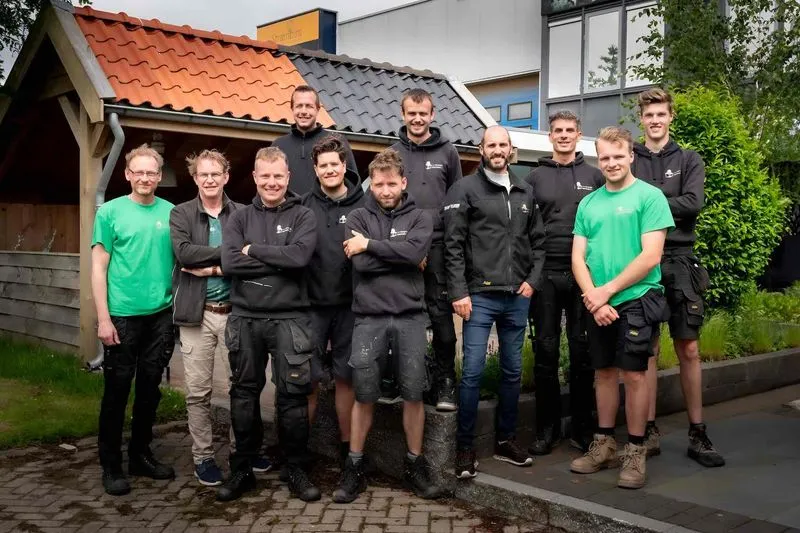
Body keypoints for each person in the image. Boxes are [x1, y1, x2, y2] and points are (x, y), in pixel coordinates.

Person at [332, 148, 441, 503]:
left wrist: (372, 247)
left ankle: (414, 465)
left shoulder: (422, 217)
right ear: (371, 184)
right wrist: (401, 253)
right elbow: (363, 267)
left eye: (392, 183)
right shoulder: (356, 218)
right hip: (369, 319)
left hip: (410, 317)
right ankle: (355, 466)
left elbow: (414, 253)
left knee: (414, 394)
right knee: (364, 394)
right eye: (379, 184)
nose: (386, 190)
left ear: (403, 182)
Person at [569, 126, 674, 490]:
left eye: (618, 156)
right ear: (599, 160)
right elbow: (578, 258)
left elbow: (651, 257)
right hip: (598, 303)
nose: (612, 163)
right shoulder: (589, 203)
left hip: (636, 299)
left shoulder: (650, 197)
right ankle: (603, 445)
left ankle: (636, 449)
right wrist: (593, 297)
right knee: (604, 373)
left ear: (631, 156)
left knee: (634, 375)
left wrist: (607, 291)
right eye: (606, 157)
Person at [217, 147, 320, 503]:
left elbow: (300, 257)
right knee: (243, 394)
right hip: (245, 318)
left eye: (279, 176)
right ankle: (242, 468)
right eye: (265, 176)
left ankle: (296, 468)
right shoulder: (239, 217)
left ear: (288, 177)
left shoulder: (304, 216)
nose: (272, 182)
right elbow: (229, 263)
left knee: (292, 397)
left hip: (290, 319)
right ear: (256, 178)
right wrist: (277, 259)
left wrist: (253, 251)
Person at [444, 125, 545, 479]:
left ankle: (505, 441)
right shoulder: (465, 189)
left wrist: (532, 281)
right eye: (492, 144)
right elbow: (452, 244)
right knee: (471, 373)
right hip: (480, 297)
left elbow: (540, 243)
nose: (498, 149)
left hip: (517, 296)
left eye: (503, 144)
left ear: (510, 148)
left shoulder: (525, 190)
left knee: (512, 371)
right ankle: (466, 447)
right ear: (481, 149)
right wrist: (458, 291)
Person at [170, 149, 274, 486]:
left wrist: (216, 264)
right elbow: (184, 252)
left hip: (237, 313)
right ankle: (203, 457)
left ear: (226, 176)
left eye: (216, 174)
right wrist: (232, 252)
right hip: (197, 316)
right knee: (198, 392)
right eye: (204, 174)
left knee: (242, 388)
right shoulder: (181, 213)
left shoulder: (243, 212)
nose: (210, 180)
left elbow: (255, 258)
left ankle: (242, 449)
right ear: (195, 178)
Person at [632, 88, 725, 468]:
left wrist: (648, 201)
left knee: (689, 349)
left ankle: (698, 433)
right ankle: (649, 430)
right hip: (643, 263)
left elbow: (694, 204)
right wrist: (665, 204)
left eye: (661, 114)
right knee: (648, 349)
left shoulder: (689, 159)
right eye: (649, 115)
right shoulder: (631, 158)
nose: (655, 120)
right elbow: (627, 206)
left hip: (681, 262)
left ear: (671, 117)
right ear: (641, 119)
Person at [91, 144, 176, 496]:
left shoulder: (172, 213)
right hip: (122, 317)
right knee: (117, 391)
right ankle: (110, 465)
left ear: (159, 176)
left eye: (151, 172)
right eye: (138, 171)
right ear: (127, 174)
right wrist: (103, 318)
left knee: (148, 391)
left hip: (160, 316)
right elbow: (99, 268)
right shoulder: (110, 213)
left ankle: (140, 455)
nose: (144, 177)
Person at [525, 111, 603, 455]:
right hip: (545, 276)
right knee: (545, 351)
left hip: (583, 276)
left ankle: (583, 427)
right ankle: (547, 428)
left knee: (582, 352)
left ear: (579, 134)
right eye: (558, 130)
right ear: (550, 136)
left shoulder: (595, 176)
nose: (564, 135)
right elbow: (524, 228)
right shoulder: (533, 178)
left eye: (570, 130)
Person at [390, 88, 462, 411]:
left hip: (438, 248)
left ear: (432, 115)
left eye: (423, 113)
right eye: (411, 113)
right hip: (402, 248)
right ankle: (403, 378)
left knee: (441, 317)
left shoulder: (449, 153)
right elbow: (385, 200)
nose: (417, 119)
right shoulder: (392, 153)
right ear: (403, 115)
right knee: (403, 316)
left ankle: (445, 382)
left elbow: (456, 202)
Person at [301, 135, 365, 466]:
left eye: (334, 164)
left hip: (350, 307)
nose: (329, 170)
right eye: (323, 165)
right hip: (312, 306)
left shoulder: (363, 205)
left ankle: (346, 450)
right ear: (315, 169)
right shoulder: (302, 206)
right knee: (308, 380)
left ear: (344, 167)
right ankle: (299, 454)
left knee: (346, 379)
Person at [272, 85, 360, 195]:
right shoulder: (278, 146)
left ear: (318, 109)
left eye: (309, 106)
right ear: (292, 109)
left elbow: (353, 185)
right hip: (289, 211)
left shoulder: (336, 142)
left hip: (327, 210)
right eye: (299, 106)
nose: (303, 111)